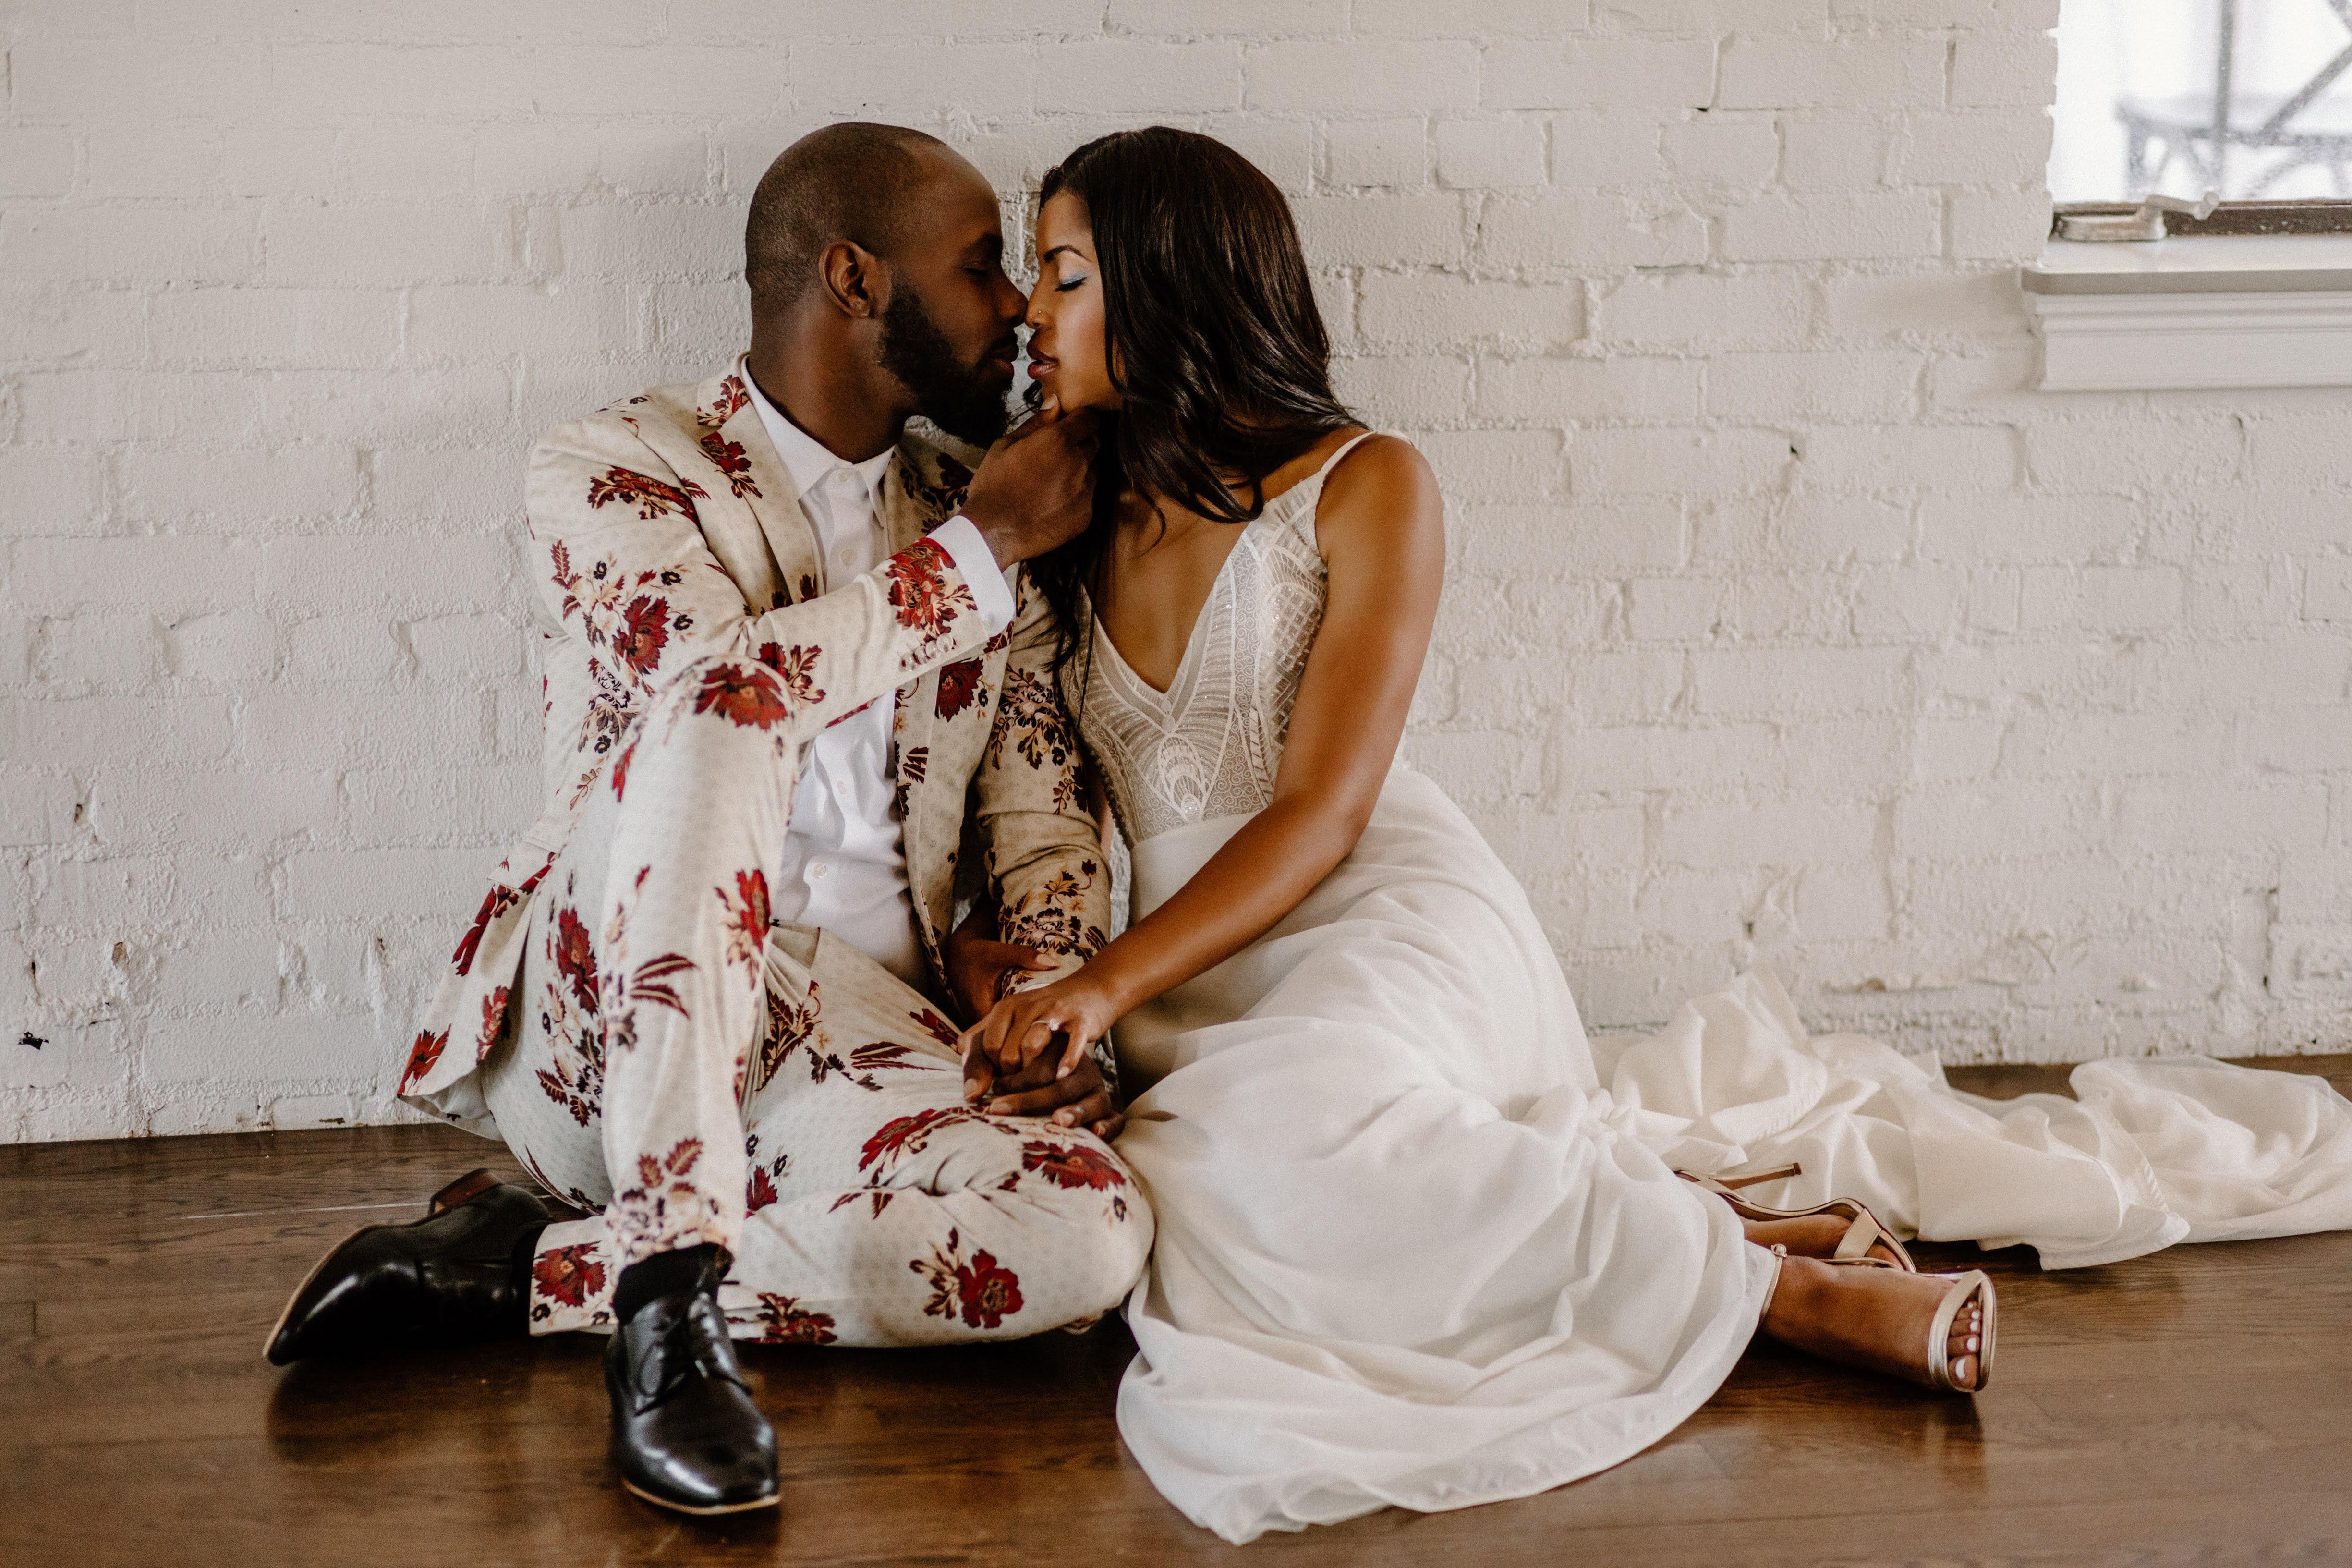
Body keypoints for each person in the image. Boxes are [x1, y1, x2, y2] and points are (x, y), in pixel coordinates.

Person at [956, 126, 2352, 1544]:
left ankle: (1784, 1297)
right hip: (1182, 974)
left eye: (1064, 275)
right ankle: (1739, 1232)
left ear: (1169, 280)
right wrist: (1035, 971)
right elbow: (1011, 800)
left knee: (1293, 1133)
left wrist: (1100, 988)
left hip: (1373, 909)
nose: (1030, 314)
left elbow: (1324, 811)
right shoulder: (1058, 511)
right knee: (1214, 1188)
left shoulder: (1367, 480)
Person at [263, 123, 1153, 1519]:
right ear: (856, 279)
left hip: (843, 1026)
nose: (1016, 309)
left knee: (1089, 1235)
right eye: (984, 266)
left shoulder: (979, 505)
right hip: (603, 1014)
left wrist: (1049, 1004)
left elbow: (1045, 827)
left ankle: (534, 1270)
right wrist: (974, 557)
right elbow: (724, 689)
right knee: (730, 701)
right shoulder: (613, 467)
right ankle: (671, 1297)